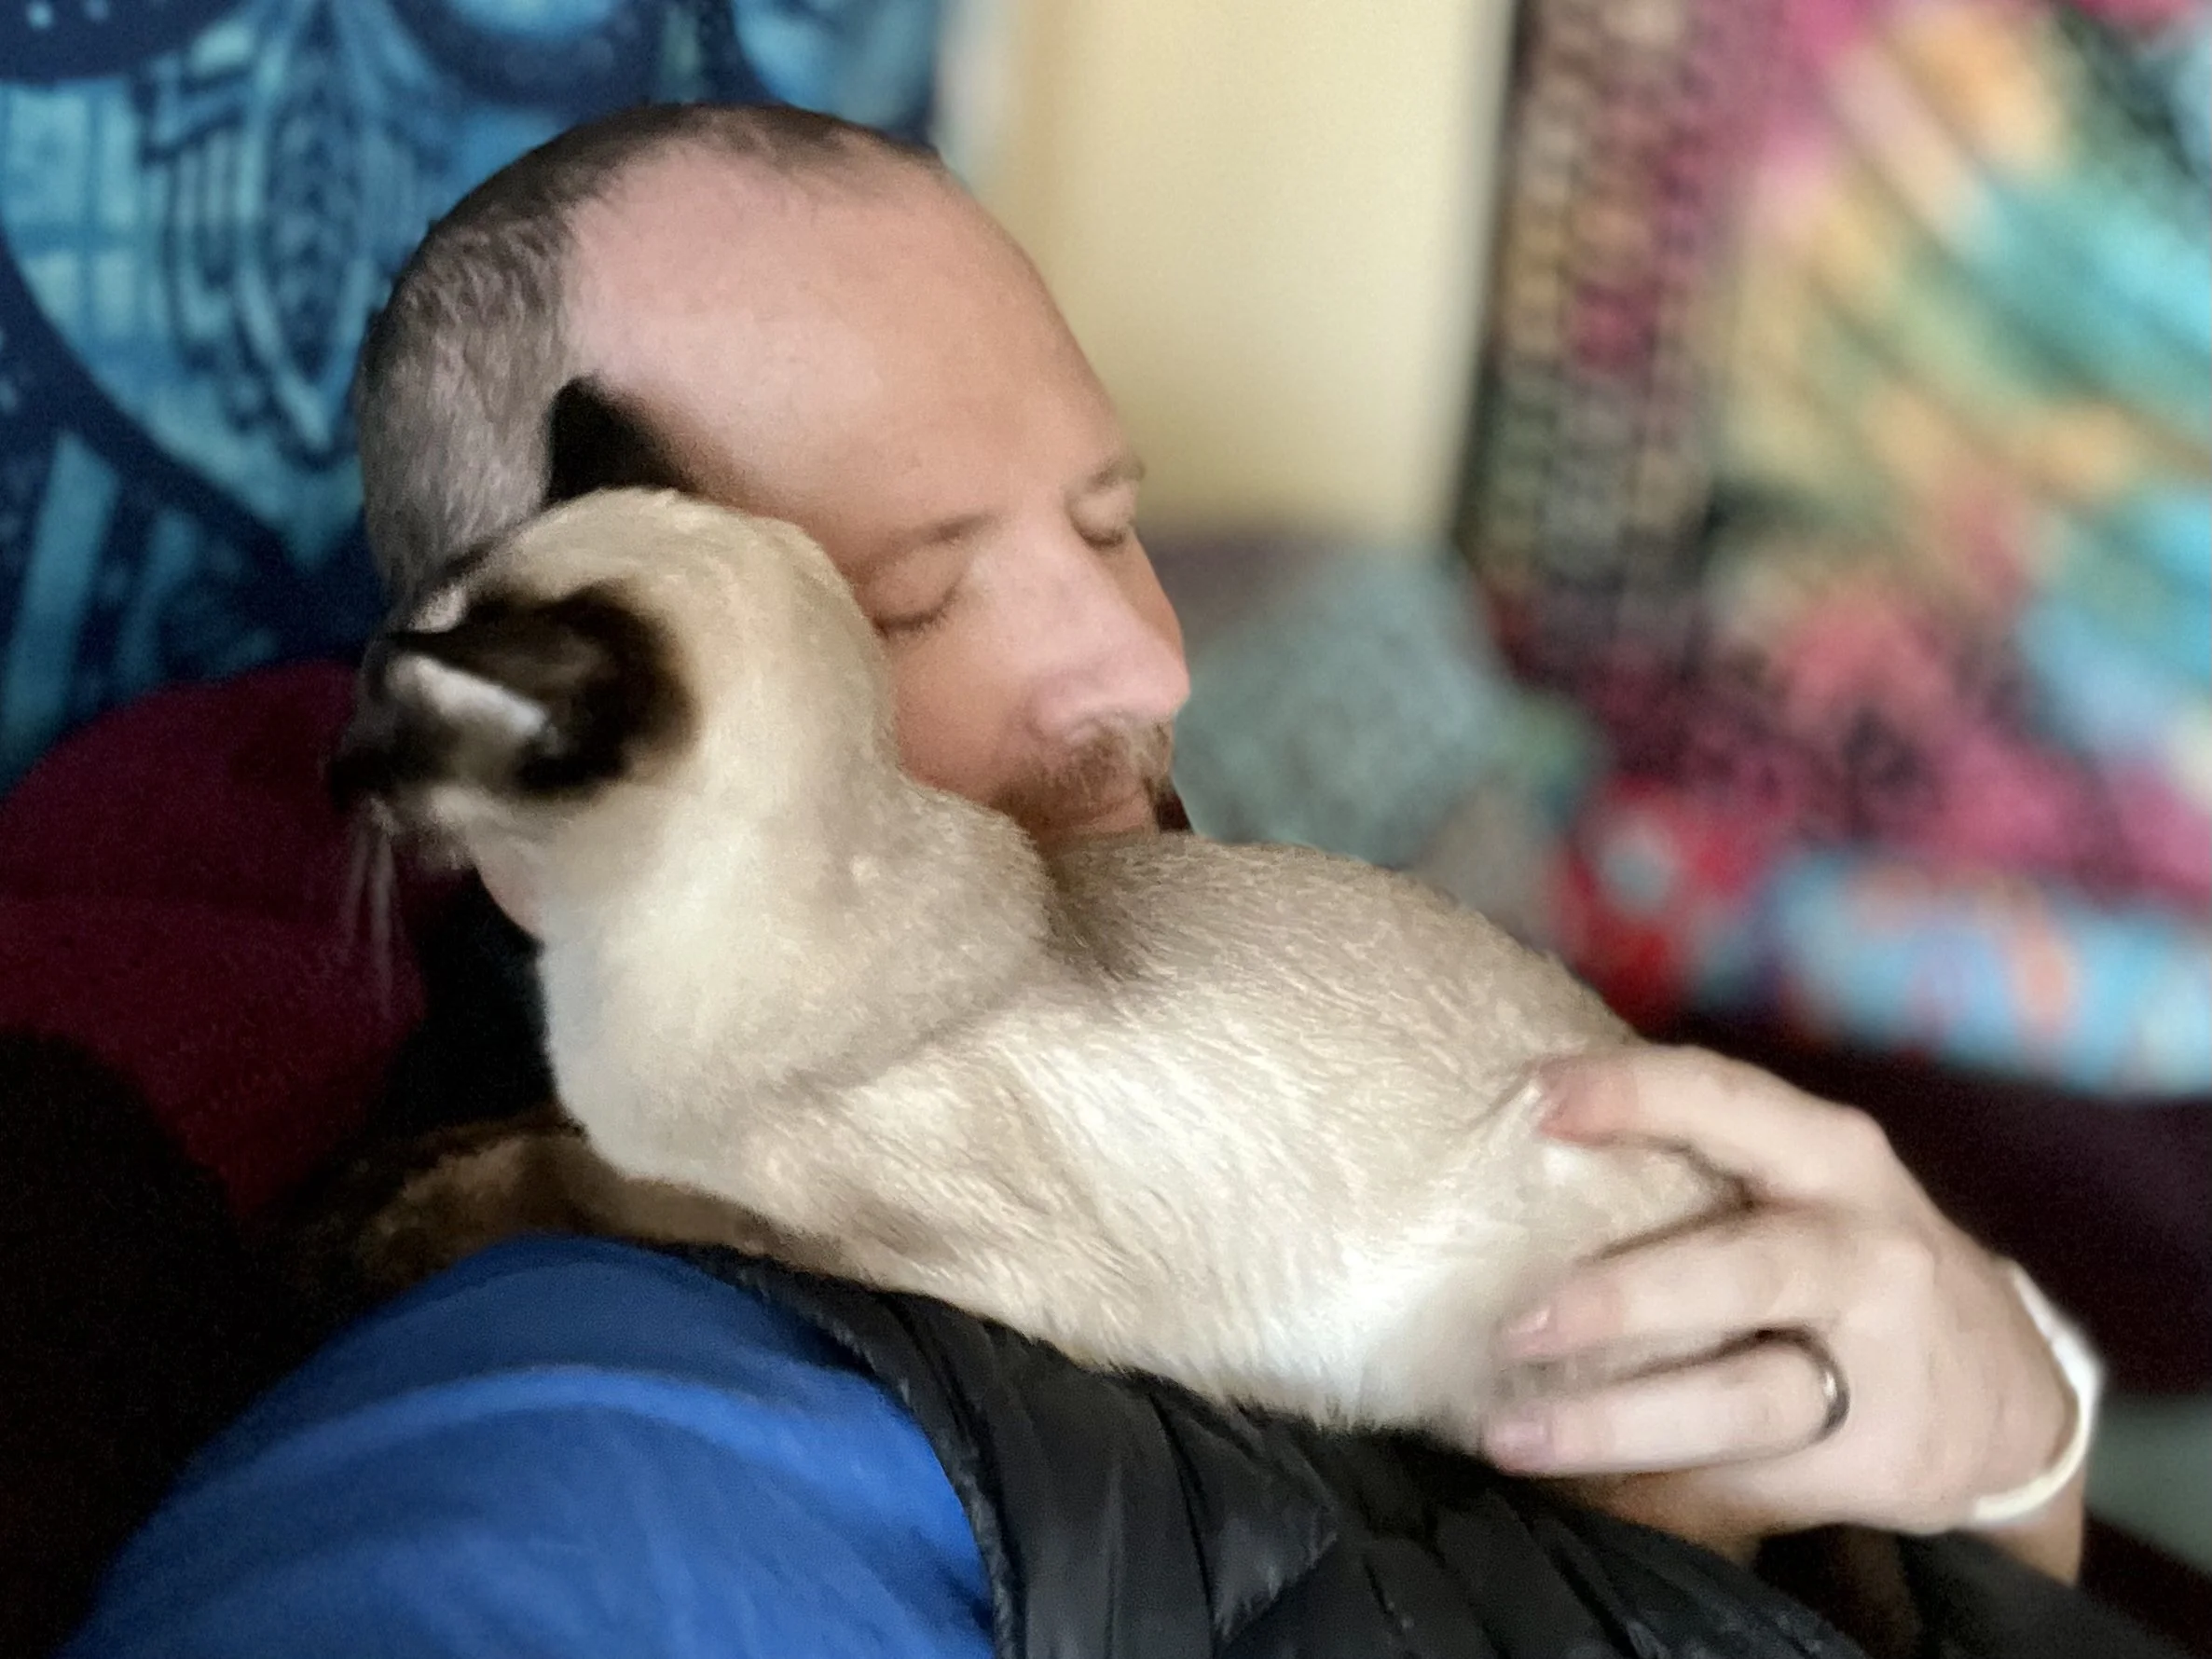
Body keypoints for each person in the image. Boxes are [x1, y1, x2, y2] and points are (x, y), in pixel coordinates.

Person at [63, 103, 2150, 1659]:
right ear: (535, 806)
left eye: (1111, 515)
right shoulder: (599, 1434)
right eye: (902, 595)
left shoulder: (1235, 999)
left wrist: (2007, 1450)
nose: (1147, 663)